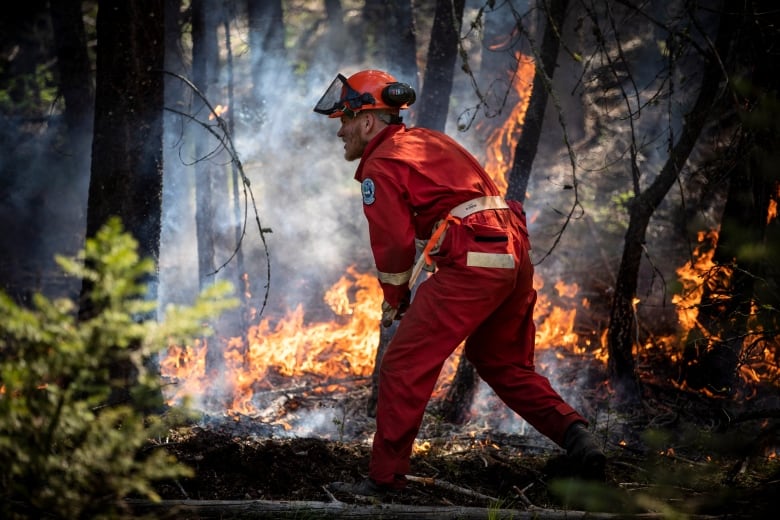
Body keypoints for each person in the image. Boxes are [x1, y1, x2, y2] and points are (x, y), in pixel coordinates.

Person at [313, 69, 606, 496]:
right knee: (501, 362)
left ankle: (384, 482)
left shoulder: (381, 163)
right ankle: (578, 437)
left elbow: (394, 245)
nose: (340, 131)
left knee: (403, 363)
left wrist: (396, 298)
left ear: (368, 119)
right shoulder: (427, 141)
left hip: (476, 257)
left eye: (344, 120)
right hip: (512, 251)